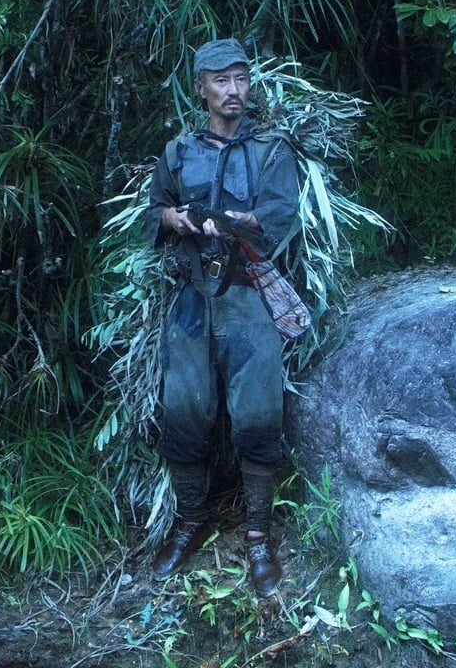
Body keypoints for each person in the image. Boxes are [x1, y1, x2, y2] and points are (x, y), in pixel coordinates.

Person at [142, 38, 300, 595]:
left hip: (249, 294)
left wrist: (236, 221)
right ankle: (190, 522)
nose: (233, 90)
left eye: (241, 78)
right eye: (221, 80)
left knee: (259, 412)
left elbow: (281, 214)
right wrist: (174, 218)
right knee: (184, 409)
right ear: (201, 89)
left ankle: (258, 536)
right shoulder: (178, 152)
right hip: (192, 297)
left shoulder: (272, 150)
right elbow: (154, 210)